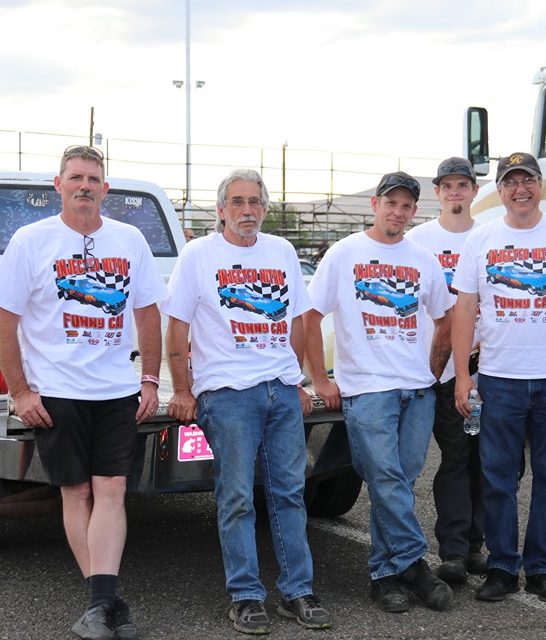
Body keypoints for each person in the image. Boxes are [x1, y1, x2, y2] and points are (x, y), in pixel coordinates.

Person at [0, 145, 168, 640]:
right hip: (57, 391)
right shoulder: (31, 241)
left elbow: (148, 312)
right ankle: (104, 605)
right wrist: (20, 392)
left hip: (114, 390)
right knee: (78, 491)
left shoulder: (129, 240)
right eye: (76, 177)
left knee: (112, 488)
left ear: (106, 188)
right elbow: (5, 318)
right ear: (58, 185)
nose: (85, 185)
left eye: (94, 178)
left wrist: (149, 378)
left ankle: (98, 608)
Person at [162, 168, 331, 635]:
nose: (247, 211)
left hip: (279, 390)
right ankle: (246, 595)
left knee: (289, 494)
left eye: (255, 202)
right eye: (236, 202)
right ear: (220, 211)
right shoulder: (198, 255)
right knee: (236, 496)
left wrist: (295, 380)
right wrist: (182, 388)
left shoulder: (282, 250)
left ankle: (298, 591)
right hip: (227, 394)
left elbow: (297, 320)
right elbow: (177, 326)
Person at [451, 152, 546, 604]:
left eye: (528, 180)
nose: (520, 189)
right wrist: (462, 375)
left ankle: (542, 568)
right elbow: (465, 309)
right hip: (499, 380)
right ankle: (501, 566)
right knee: (498, 478)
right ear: (500, 189)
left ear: (540, 185)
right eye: (511, 181)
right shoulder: (480, 239)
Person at [304, 171, 455, 614]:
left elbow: (444, 318)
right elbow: (310, 316)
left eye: (407, 205)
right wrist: (320, 379)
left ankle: (384, 575)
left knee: (400, 483)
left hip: (417, 391)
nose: (399, 211)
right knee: (386, 479)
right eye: (392, 203)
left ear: (413, 211)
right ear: (375, 204)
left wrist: (432, 369)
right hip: (367, 389)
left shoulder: (424, 259)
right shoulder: (345, 253)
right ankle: (417, 568)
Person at [405, 157, 486, 584]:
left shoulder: (489, 236)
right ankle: (454, 550)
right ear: (438, 192)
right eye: (447, 186)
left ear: (475, 190)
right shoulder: (418, 240)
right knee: (454, 455)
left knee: (484, 459)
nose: (455, 192)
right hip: (434, 369)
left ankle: (476, 544)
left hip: (481, 366)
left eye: (463, 185)